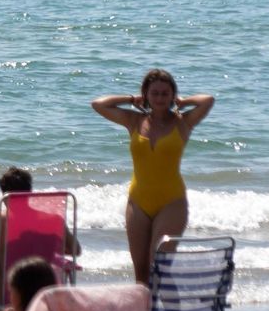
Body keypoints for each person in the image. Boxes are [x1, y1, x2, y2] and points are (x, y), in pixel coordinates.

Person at [92, 70, 215, 283]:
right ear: (146, 95)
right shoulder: (134, 120)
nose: (159, 98)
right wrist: (131, 99)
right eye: (155, 93)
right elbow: (98, 104)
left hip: (172, 202)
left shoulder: (183, 122)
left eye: (165, 94)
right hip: (138, 202)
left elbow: (208, 100)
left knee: (159, 269)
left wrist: (184, 102)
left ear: (172, 95)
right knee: (140, 272)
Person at [0, 166, 81, 278]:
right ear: (30, 193)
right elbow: (76, 250)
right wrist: (47, 248)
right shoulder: (54, 220)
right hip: (44, 296)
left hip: (4, 298)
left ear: (4, 195)